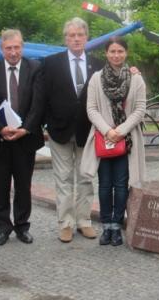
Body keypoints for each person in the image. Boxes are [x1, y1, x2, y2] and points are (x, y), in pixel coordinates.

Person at [42, 18, 104, 242]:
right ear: (65, 38)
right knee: (64, 179)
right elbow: (43, 96)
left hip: (87, 132)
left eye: (80, 35)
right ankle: (65, 223)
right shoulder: (50, 63)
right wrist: (45, 124)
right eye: (71, 35)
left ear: (86, 38)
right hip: (59, 131)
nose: (76, 39)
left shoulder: (98, 65)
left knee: (86, 178)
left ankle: (84, 221)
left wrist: (133, 72)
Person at [81, 36, 147, 246]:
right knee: (104, 184)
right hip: (103, 138)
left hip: (126, 140)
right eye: (112, 51)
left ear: (125, 53)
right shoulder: (96, 78)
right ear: (106, 54)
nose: (116, 55)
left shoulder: (136, 79)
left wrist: (121, 130)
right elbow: (91, 108)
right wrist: (107, 130)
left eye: (120, 51)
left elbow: (140, 109)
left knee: (121, 185)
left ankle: (117, 226)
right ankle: (106, 225)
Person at [0, 29, 45, 246]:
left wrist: (25, 129)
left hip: (25, 139)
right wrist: (0, 129)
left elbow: (38, 104)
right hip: (0, 140)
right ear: (1, 49)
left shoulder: (34, 68)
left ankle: (22, 226)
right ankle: (2, 228)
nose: (13, 52)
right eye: (9, 48)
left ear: (22, 47)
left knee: (23, 186)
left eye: (17, 47)